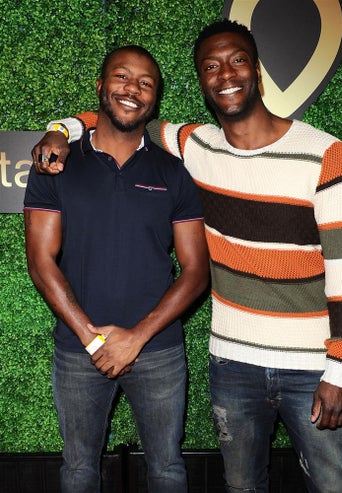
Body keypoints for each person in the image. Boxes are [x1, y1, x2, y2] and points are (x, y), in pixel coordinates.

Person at [32, 20, 342, 493]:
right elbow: (120, 115)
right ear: (201, 80)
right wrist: (60, 129)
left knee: (333, 486)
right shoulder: (198, 145)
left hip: (312, 366)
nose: (225, 74)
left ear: (257, 71)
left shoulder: (323, 153)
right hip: (233, 362)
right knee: (240, 487)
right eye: (211, 66)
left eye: (237, 61)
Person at [24, 44, 209, 493]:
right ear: (100, 86)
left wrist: (136, 337)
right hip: (78, 349)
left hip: (158, 349)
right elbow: (40, 261)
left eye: (145, 83)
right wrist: (92, 339)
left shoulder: (174, 172)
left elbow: (196, 271)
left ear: (155, 99)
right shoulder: (56, 165)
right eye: (122, 77)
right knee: (78, 471)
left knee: (167, 470)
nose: (132, 89)